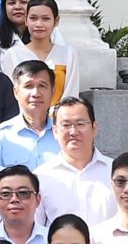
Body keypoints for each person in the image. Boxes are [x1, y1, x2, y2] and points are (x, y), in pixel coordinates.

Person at [38, 95, 117, 225]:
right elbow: (36, 228)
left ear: (94, 128)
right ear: (55, 131)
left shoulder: (115, 172)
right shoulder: (41, 177)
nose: (73, 132)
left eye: (80, 124)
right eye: (66, 125)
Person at [0, 0, 72, 102]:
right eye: (33, 18)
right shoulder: (13, 54)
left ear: (56, 21)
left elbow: (71, 94)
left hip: (61, 112)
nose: (39, 24)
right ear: (26, 20)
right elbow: (11, 95)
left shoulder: (68, 54)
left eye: (46, 19)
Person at [0, 63, 59, 172]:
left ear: (52, 91)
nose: (36, 93)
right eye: (28, 86)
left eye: (42, 86)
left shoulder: (64, 132)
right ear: (16, 92)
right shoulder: (1, 135)